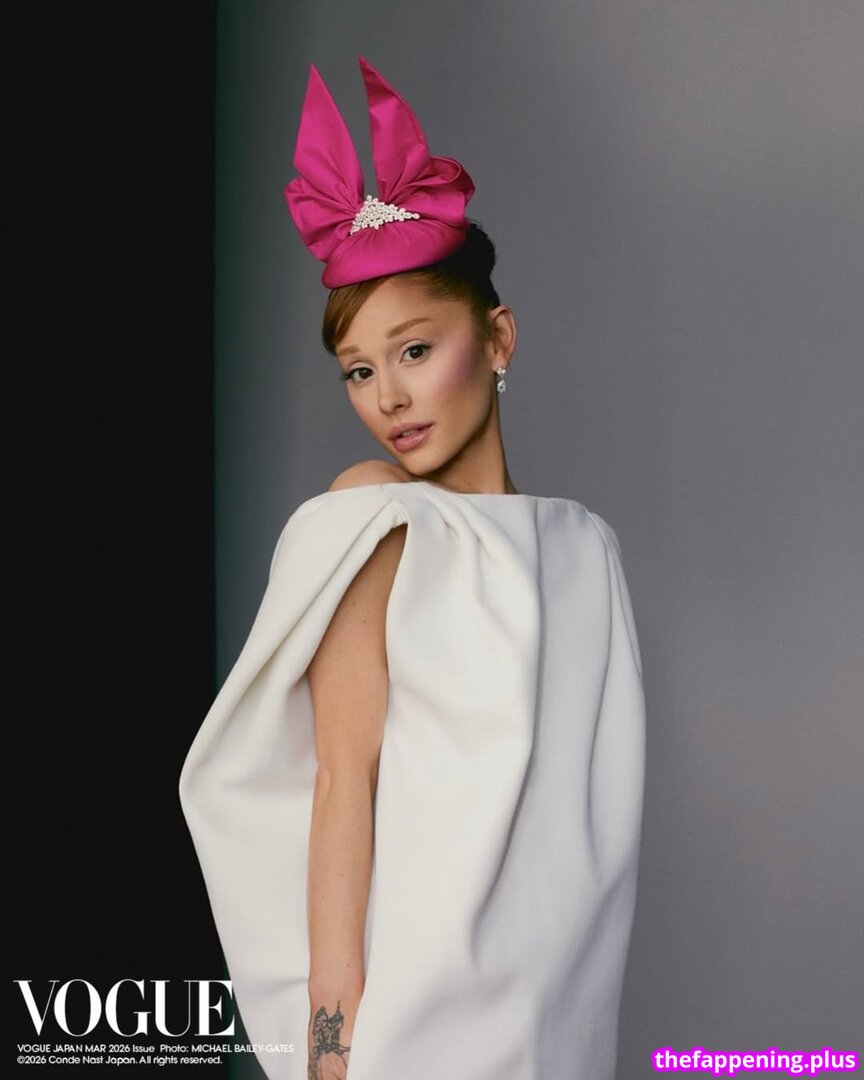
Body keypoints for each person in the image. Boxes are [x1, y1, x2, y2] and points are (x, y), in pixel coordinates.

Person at [179, 56, 646, 1080]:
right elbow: (340, 785)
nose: (388, 397)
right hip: (413, 1030)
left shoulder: (584, 549)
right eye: (359, 368)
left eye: (415, 350)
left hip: (555, 1022)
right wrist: (330, 1050)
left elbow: (588, 845)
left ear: (498, 337)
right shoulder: (375, 516)